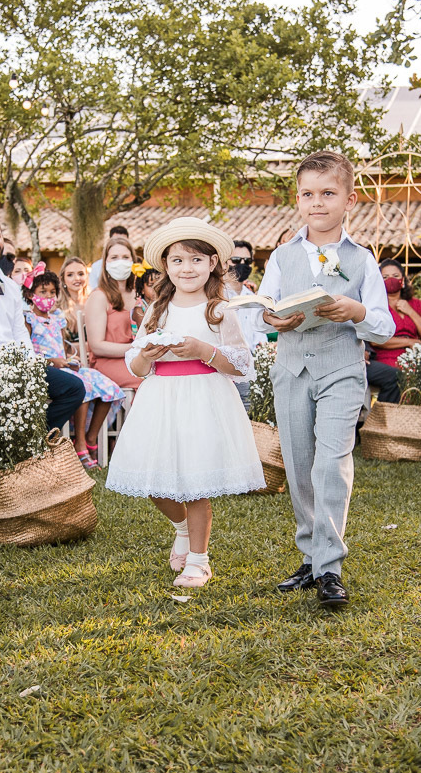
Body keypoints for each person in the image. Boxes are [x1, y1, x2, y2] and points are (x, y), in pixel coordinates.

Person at [259, 151, 395, 609]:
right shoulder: (280, 256)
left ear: (349, 200)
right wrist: (275, 318)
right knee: (298, 466)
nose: (317, 203)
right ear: (298, 199)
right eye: (308, 194)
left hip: (342, 371)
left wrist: (355, 311)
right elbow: (260, 316)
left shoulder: (363, 261)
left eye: (328, 193)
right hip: (292, 369)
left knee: (330, 464)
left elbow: (383, 324)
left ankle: (330, 568)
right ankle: (311, 556)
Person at [107, 218, 264, 588]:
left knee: (195, 483)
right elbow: (135, 363)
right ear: (166, 267)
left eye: (195, 260)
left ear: (212, 264)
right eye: (177, 261)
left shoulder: (219, 309)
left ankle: (199, 560)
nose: (186, 268)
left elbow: (242, 364)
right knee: (153, 480)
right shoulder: (157, 310)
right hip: (161, 398)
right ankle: (180, 528)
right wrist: (149, 354)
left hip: (203, 397)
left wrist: (203, 350)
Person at [0, 211, 86, 432]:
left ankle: (33, 439)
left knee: (74, 388)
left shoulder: (10, 286)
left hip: (17, 364)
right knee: (14, 391)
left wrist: (26, 363)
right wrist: (5, 363)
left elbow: (20, 334)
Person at [22, 267, 124, 469]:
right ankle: (79, 446)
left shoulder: (57, 318)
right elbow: (28, 353)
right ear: (30, 294)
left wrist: (69, 359)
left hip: (65, 367)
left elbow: (61, 347)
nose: (48, 297)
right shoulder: (28, 320)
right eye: (43, 292)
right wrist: (53, 361)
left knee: (110, 387)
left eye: (52, 292)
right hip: (46, 369)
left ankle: (90, 437)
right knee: (81, 386)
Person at [367, 258, 421, 406]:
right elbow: (375, 339)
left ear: (403, 280)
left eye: (396, 276)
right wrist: (409, 342)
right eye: (385, 277)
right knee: (401, 377)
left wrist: (410, 311)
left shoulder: (415, 304)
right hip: (386, 358)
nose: (391, 280)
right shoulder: (376, 305)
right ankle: (388, 421)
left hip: (416, 359)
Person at [84, 235, 143, 392]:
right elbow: (97, 346)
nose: (120, 262)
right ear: (106, 263)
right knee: (147, 382)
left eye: (125, 257)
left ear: (133, 261)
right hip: (108, 362)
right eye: (114, 258)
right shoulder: (99, 297)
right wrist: (135, 348)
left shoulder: (140, 294)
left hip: (139, 358)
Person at [224, 238, 267, 410]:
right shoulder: (215, 296)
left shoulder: (253, 298)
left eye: (247, 261)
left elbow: (260, 335)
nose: (241, 264)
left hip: (250, 371)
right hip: (224, 370)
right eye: (235, 260)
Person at [57, 255, 89, 348]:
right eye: (70, 275)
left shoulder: (94, 304)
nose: (77, 278)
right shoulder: (57, 307)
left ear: (86, 276)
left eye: (81, 274)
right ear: (63, 279)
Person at [90, 225, 130, 290]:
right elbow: (92, 288)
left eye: (123, 241)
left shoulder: (135, 266)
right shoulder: (97, 266)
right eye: (115, 240)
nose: (119, 244)